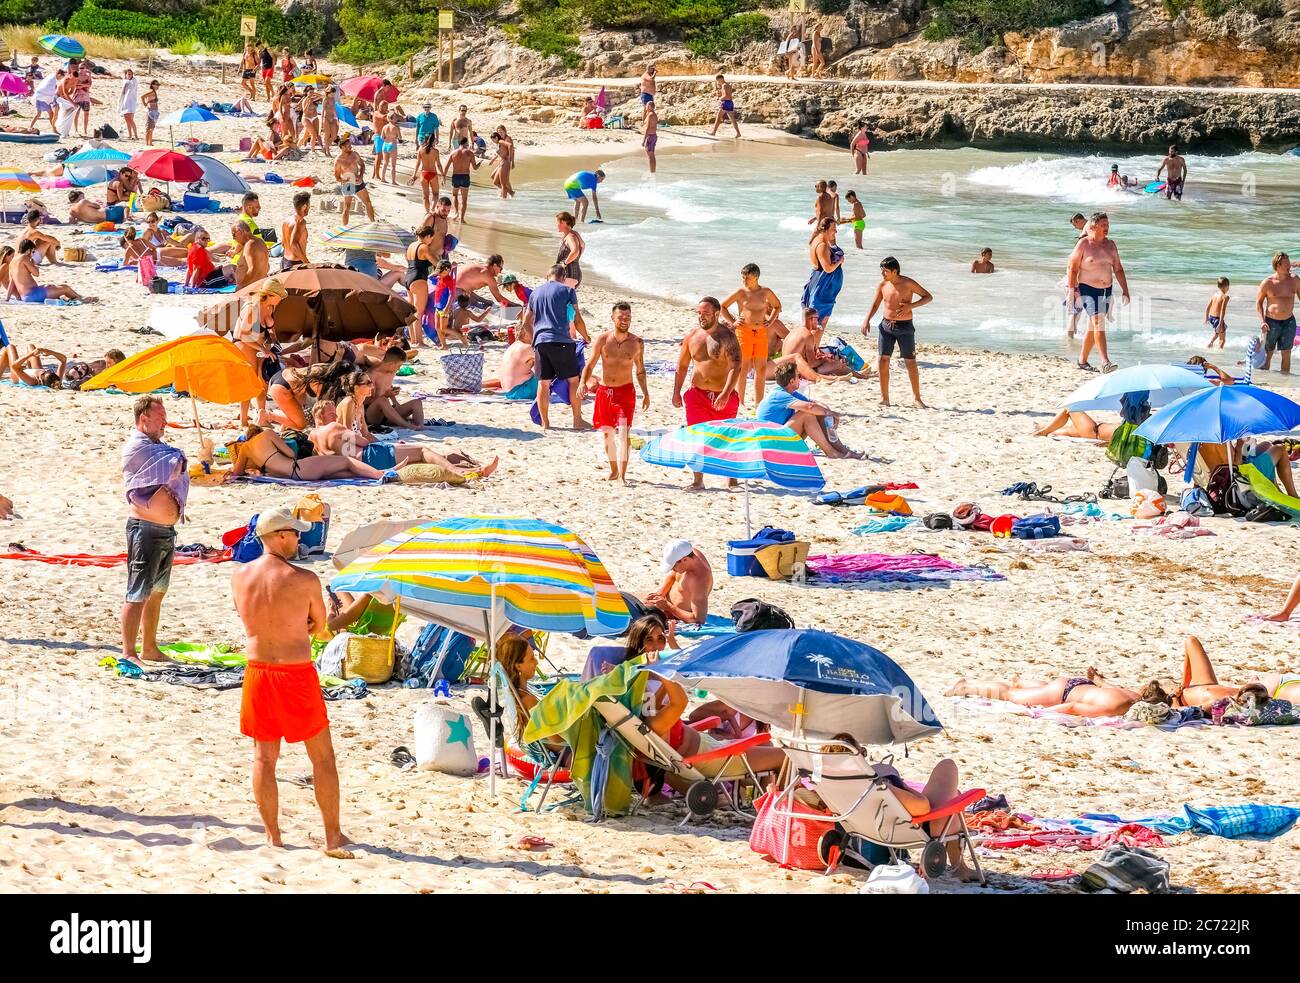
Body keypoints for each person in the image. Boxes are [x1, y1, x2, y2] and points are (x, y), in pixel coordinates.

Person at [231, 507, 352, 858]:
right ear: (280, 536)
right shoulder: (304, 578)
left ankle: (273, 837)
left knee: (264, 759)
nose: (301, 539)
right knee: (322, 758)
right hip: (295, 673)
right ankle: (332, 837)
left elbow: (248, 616)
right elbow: (323, 627)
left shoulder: (240, 576)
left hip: (257, 671)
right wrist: (310, 626)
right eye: (297, 533)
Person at [331, 368, 498, 477]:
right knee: (422, 450)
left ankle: (473, 469)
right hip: (363, 456)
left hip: (369, 451)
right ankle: (462, 472)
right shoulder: (348, 404)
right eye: (367, 383)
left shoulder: (358, 405)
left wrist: (384, 445)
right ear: (356, 387)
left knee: (428, 454)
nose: (372, 386)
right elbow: (347, 439)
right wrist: (360, 463)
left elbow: (366, 434)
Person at [121, 396, 186, 668]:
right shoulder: (138, 446)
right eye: (160, 417)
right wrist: (181, 458)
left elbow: (174, 461)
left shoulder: (159, 446)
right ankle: (128, 651)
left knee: (157, 591)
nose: (164, 422)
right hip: (145, 529)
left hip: (164, 529)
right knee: (137, 592)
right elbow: (170, 467)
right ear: (144, 418)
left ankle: (149, 647)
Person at [672, 298, 741, 488]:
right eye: (699, 313)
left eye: (706, 313)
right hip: (697, 395)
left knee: (726, 438)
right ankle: (698, 480)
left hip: (723, 395)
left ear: (717, 313)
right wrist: (676, 391)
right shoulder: (692, 336)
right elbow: (682, 365)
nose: (701, 317)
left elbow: (736, 366)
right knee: (696, 437)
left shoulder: (727, 337)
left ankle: (731, 477)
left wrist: (726, 393)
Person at [581, 300, 649, 484]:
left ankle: (623, 476)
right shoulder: (603, 340)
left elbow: (640, 370)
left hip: (625, 392)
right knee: (607, 434)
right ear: (613, 318)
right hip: (604, 392)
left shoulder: (636, 343)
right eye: (621, 317)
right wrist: (582, 383)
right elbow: (590, 364)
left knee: (624, 433)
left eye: (628, 317)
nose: (625, 320)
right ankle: (613, 470)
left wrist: (646, 393)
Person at [521, 264, 588, 431]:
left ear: (547, 276)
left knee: (543, 383)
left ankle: (545, 423)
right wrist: (586, 336)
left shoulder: (535, 293)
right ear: (563, 277)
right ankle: (577, 420)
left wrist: (535, 339)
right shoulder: (567, 291)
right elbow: (577, 319)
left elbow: (525, 322)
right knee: (573, 380)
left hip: (541, 342)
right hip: (561, 340)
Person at [863, 256, 931, 408]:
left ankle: (917, 398)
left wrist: (910, 306)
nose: (883, 274)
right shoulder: (883, 284)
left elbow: (928, 297)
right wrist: (867, 320)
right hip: (886, 326)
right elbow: (875, 304)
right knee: (882, 360)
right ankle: (884, 398)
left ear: (895, 271)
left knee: (910, 362)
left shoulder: (908, 283)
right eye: (882, 271)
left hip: (905, 327)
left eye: (885, 271)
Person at [945, 668, 1151, 718]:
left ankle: (1022, 682)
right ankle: (965, 687)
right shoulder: (1116, 708)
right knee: (1009, 695)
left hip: (1077, 684)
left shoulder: (1134, 694)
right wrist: (1041, 713)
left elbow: (1104, 686)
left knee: (1038, 689)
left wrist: (1097, 678)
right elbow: (1072, 707)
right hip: (1063, 693)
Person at [1066, 211, 1129, 373]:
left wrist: (1125, 291)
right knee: (1098, 322)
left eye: (1107, 224)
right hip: (1087, 289)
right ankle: (1105, 362)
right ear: (1093, 226)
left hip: (1106, 290)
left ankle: (1082, 360)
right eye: (1103, 225)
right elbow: (1072, 268)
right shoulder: (1083, 244)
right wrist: (1072, 291)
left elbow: (1118, 269)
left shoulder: (1111, 245)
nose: (1106, 227)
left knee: (1093, 326)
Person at [757, 362, 861, 458]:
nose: (801, 379)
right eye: (798, 376)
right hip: (770, 443)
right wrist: (831, 414)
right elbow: (808, 407)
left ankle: (841, 449)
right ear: (792, 381)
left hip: (778, 438)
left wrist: (828, 413)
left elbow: (814, 404)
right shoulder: (779, 395)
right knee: (807, 414)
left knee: (817, 412)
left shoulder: (790, 393)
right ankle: (831, 452)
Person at [1169, 635, 1299, 710]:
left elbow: (1191, 641)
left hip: (1272, 688)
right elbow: (1179, 713)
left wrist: (1183, 685)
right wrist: (1174, 696)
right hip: (1278, 691)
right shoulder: (1215, 701)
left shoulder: (1202, 685)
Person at [721, 262, 784, 406]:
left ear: (755, 277)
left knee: (760, 369)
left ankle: (758, 403)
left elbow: (777, 306)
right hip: (744, 333)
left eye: (746, 277)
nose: (743, 280)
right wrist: (733, 322)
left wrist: (771, 321)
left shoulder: (765, 292)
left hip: (761, 333)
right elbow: (722, 306)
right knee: (743, 367)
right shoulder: (740, 292)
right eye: (742, 277)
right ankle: (740, 401)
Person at [233, 278, 286, 426]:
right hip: (244, 343)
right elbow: (243, 334)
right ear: (271, 295)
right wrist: (262, 348)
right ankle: (243, 420)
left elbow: (271, 332)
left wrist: (272, 343)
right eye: (280, 296)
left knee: (262, 382)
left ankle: (261, 415)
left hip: (261, 345)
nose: (281, 299)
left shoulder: (270, 307)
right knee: (250, 383)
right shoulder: (252, 308)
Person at [647, 539, 712, 624]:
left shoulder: (700, 580)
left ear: (684, 560)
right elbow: (673, 576)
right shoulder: (689, 553)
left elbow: (698, 620)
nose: (672, 569)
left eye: (673, 566)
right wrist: (661, 592)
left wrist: (667, 606)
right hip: (663, 605)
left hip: (672, 616)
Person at [1257, 251, 1298, 374]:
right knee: (1268, 352)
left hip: (1289, 322)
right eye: (1285, 264)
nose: (1289, 265)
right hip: (1271, 322)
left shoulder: (1295, 279)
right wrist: (1262, 321)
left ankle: (1284, 380)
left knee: (1287, 352)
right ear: (1277, 265)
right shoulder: (1267, 282)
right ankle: (1265, 379)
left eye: (1289, 262)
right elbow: (1258, 303)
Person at [800, 218, 844, 331]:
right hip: (822, 285)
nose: (836, 231)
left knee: (814, 322)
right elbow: (828, 269)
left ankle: (812, 347)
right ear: (825, 229)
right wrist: (840, 261)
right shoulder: (822, 245)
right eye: (834, 229)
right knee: (819, 323)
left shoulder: (817, 240)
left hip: (817, 280)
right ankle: (813, 347)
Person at [7, 240, 85, 303]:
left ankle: (78, 298)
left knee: (54, 288)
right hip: (33, 294)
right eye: (33, 252)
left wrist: (8, 298)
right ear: (28, 250)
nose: (32, 254)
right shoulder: (24, 258)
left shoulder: (12, 262)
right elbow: (36, 274)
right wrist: (35, 266)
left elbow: (11, 283)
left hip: (25, 296)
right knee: (65, 288)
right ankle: (83, 299)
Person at [365, 347, 426, 429]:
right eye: (399, 365)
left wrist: (394, 400)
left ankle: (419, 426)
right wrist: (386, 395)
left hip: (387, 413)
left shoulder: (391, 371)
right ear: (391, 364)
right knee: (382, 400)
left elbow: (387, 387)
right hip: (372, 415)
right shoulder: (372, 374)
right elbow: (366, 401)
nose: (399, 368)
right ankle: (408, 425)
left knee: (417, 402)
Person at [482, 321, 538, 401]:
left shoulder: (513, 346)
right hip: (521, 392)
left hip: (509, 392)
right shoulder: (528, 348)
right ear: (526, 333)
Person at [335, 138, 375, 224]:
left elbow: (362, 165)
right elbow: (337, 178)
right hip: (348, 185)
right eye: (348, 146)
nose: (351, 147)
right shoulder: (338, 161)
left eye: (350, 145)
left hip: (358, 182)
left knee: (368, 203)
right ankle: (344, 228)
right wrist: (346, 181)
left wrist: (361, 176)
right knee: (347, 207)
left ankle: (373, 223)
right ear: (342, 147)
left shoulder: (354, 154)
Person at [444, 137, 478, 222]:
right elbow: (475, 167)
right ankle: (462, 219)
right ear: (466, 143)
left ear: (459, 143)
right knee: (464, 199)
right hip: (465, 177)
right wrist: (479, 163)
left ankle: (456, 212)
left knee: (455, 195)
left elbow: (447, 166)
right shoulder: (470, 153)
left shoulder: (453, 153)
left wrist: (444, 177)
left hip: (456, 176)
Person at [410, 131, 442, 213]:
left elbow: (418, 163)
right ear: (433, 140)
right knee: (435, 194)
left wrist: (414, 175)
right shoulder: (435, 151)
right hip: (433, 174)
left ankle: (427, 213)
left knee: (425, 196)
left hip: (424, 174)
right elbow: (438, 164)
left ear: (425, 139)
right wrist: (443, 174)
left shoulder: (420, 150)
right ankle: (432, 209)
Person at [232, 222, 269, 287]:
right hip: (258, 284)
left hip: (250, 288)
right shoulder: (259, 241)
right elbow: (267, 266)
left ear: (239, 231)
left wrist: (241, 286)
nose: (234, 238)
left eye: (233, 235)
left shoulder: (250, 245)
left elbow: (253, 269)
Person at [280, 190, 310, 272]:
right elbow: (293, 244)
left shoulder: (286, 221)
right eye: (309, 205)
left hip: (284, 261)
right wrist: (306, 262)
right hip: (295, 263)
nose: (309, 207)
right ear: (304, 206)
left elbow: (283, 243)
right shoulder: (300, 222)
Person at [555, 211, 584, 289]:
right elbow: (583, 246)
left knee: (562, 299)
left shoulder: (570, 236)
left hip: (568, 274)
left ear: (563, 222)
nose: (556, 225)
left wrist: (564, 264)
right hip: (575, 272)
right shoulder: (575, 234)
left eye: (557, 222)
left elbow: (575, 251)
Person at [709, 73, 740, 138]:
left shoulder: (724, 85)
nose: (718, 82)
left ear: (720, 79)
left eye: (717, 81)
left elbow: (727, 96)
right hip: (730, 103)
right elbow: (729, 95)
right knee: (732, 119)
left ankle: (713, 132)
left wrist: (720, 98)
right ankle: (738, 133)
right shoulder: (727, 85)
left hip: (726, 103)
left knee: (718, 117)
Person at [489, 127, 515, 198]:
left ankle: (504, 201)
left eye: (493, 140)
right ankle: (511, 192)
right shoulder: (500, 142)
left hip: (504, 163)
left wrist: (510, 158)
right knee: (495, 182)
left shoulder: (501, 141)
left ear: (496, 138)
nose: (493, 141)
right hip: (501, 163)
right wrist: (493, 160)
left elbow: (510, 145)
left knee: (503, 184)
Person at [1205, 276, 1230, 348]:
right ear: (1226, 286)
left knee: (1219, 332)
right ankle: (1213, 346)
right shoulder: (1225, 297)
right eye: (1228, 285)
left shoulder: (1214, 295)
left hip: (1211, 317)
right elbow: (1223, 310)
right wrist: (1220, 323)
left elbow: (1208, 307)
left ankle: (1211, 344)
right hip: (1218, 319)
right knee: (1222, 340)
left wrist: (1206, 318)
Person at [118, 67, 138, 140]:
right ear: (126, 75)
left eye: (130, 74)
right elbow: (123, 92)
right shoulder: (125, 81)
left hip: (132, 102)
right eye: (128, 74)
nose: (129, 75)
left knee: (130, 119)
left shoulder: (134, 81)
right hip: (125, 101)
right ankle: (130, 135)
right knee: (126, 119)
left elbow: (133, 84)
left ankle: (136, 135)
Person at [642, 100, 658, 174]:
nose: (645, 107)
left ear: (649, 106)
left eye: (646, 106)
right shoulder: (654, 114)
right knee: (652, 155)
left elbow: (648, 128)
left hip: (650, 136)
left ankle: (652, 172)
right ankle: (653, 171)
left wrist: (644, 139)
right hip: (653, 136)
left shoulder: (650, 115)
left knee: (650, 156)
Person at [142, 79, 160, 146]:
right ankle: (147, 144)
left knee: (152, 128)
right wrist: (145, 104)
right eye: (155, 84)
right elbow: (142, 97)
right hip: (150, 111)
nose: (156, 86)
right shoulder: (151, 92)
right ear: (152, 85)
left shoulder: (154, 92)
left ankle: (150, 142)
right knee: (148, 128)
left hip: (154, 111)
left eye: (157, 84)